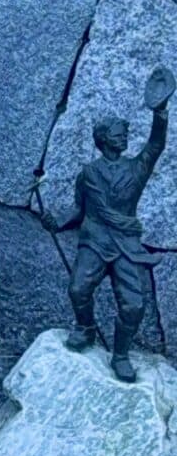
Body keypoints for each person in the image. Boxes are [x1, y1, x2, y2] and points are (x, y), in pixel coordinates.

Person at [44, 65, 173, 383]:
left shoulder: (136, 168)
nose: (124, 138)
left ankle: (120, 355)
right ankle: (85, 327)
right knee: (78, 288)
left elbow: (155, 145)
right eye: (118, 134)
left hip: (126, 245)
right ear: (104, 140)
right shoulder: (89, 173)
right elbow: (80, 209)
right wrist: (57, 223)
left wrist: (160, 112)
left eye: (125, 135)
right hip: (96, 241)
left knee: (134, 305)